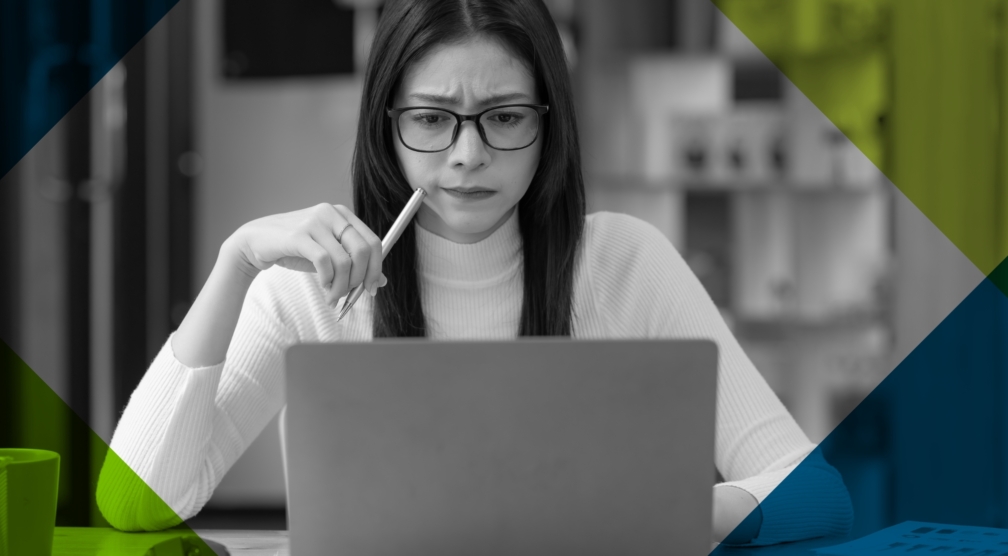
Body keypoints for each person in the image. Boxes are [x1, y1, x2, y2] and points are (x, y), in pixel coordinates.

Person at [96, 0, 853, 545]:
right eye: (430, 119)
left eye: (505, 116)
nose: (466, 155)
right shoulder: (307, 290)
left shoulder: (625, 260)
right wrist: (236, 261)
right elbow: (135, 503)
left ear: (548, 122)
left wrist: (681, 514)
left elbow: (817, 492)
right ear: (385, 129)